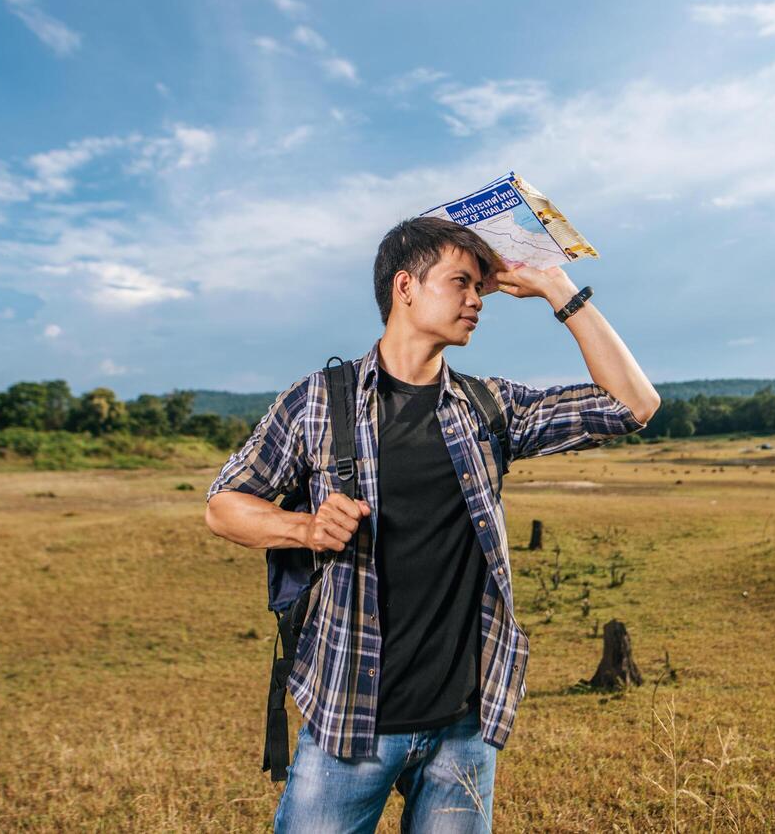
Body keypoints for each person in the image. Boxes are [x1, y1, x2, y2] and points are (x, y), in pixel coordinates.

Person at [204, 216, 660, 832]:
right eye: (461, 283)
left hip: (462, 729)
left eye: (481, 287)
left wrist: (557, 288)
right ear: (405, 286)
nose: (478, 300)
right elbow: (223, 504)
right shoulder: (319, 400)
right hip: (348, 719)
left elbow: (633, 404)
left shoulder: (488, 405)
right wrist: (307, 528)